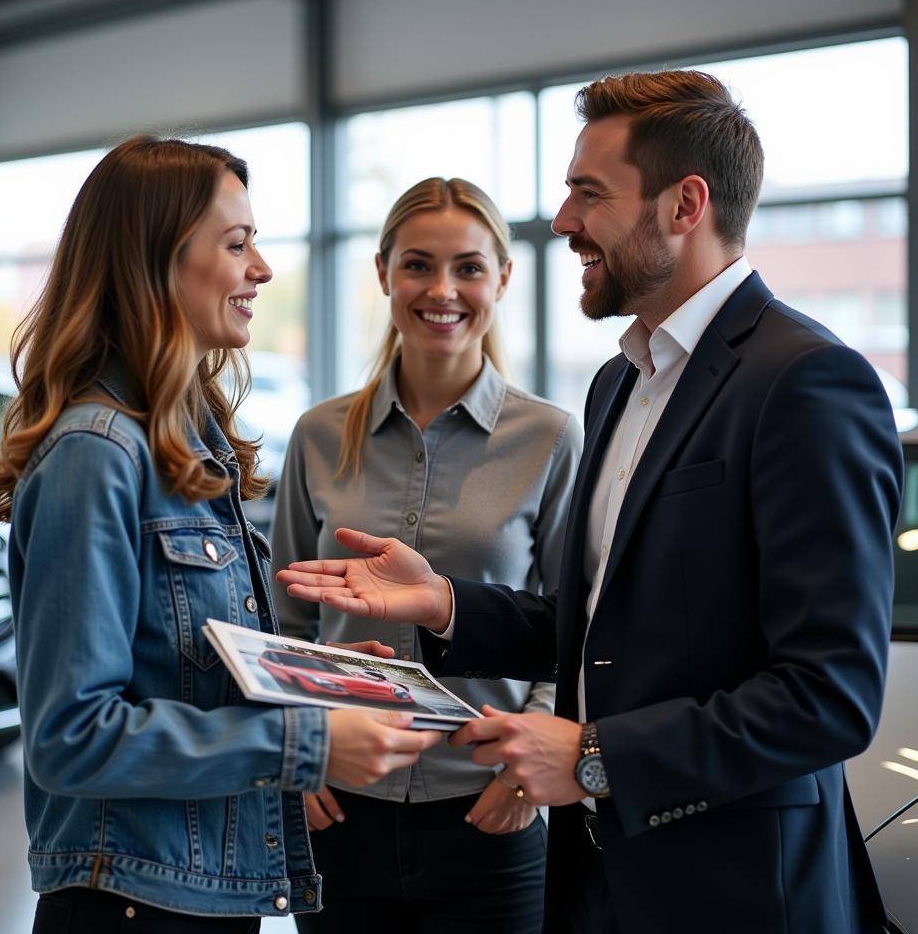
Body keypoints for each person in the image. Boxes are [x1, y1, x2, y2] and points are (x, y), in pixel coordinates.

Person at [277, 71, 904, 933]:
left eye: (587, 193)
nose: (564, 222)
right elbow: (605, 628)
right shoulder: (623, 382)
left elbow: (828, 697)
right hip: (607, 880)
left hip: (737, 889)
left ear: (686, 206)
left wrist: (596, 756)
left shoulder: (805, 381)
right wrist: (448, 604)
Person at [0, 135, 442, 934]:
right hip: (133, 899)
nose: (261, 270)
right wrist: (307, 743)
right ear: (156, 261)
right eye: (237, 244)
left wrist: (315, 680)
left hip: (193, 890)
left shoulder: (186, 442)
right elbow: (72, 737)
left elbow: (176, 663)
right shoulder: (98, 455)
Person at [270, 177, 581, 933]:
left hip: (487, 810)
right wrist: (293, 756)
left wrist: (524, 769)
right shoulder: (318, 434)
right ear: (383, 273)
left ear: (503, 278)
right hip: (339, 808)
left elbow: (575, 628)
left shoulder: (550, 438)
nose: (442, 289)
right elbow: (282, 622)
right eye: (418, 265)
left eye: (469, 267)